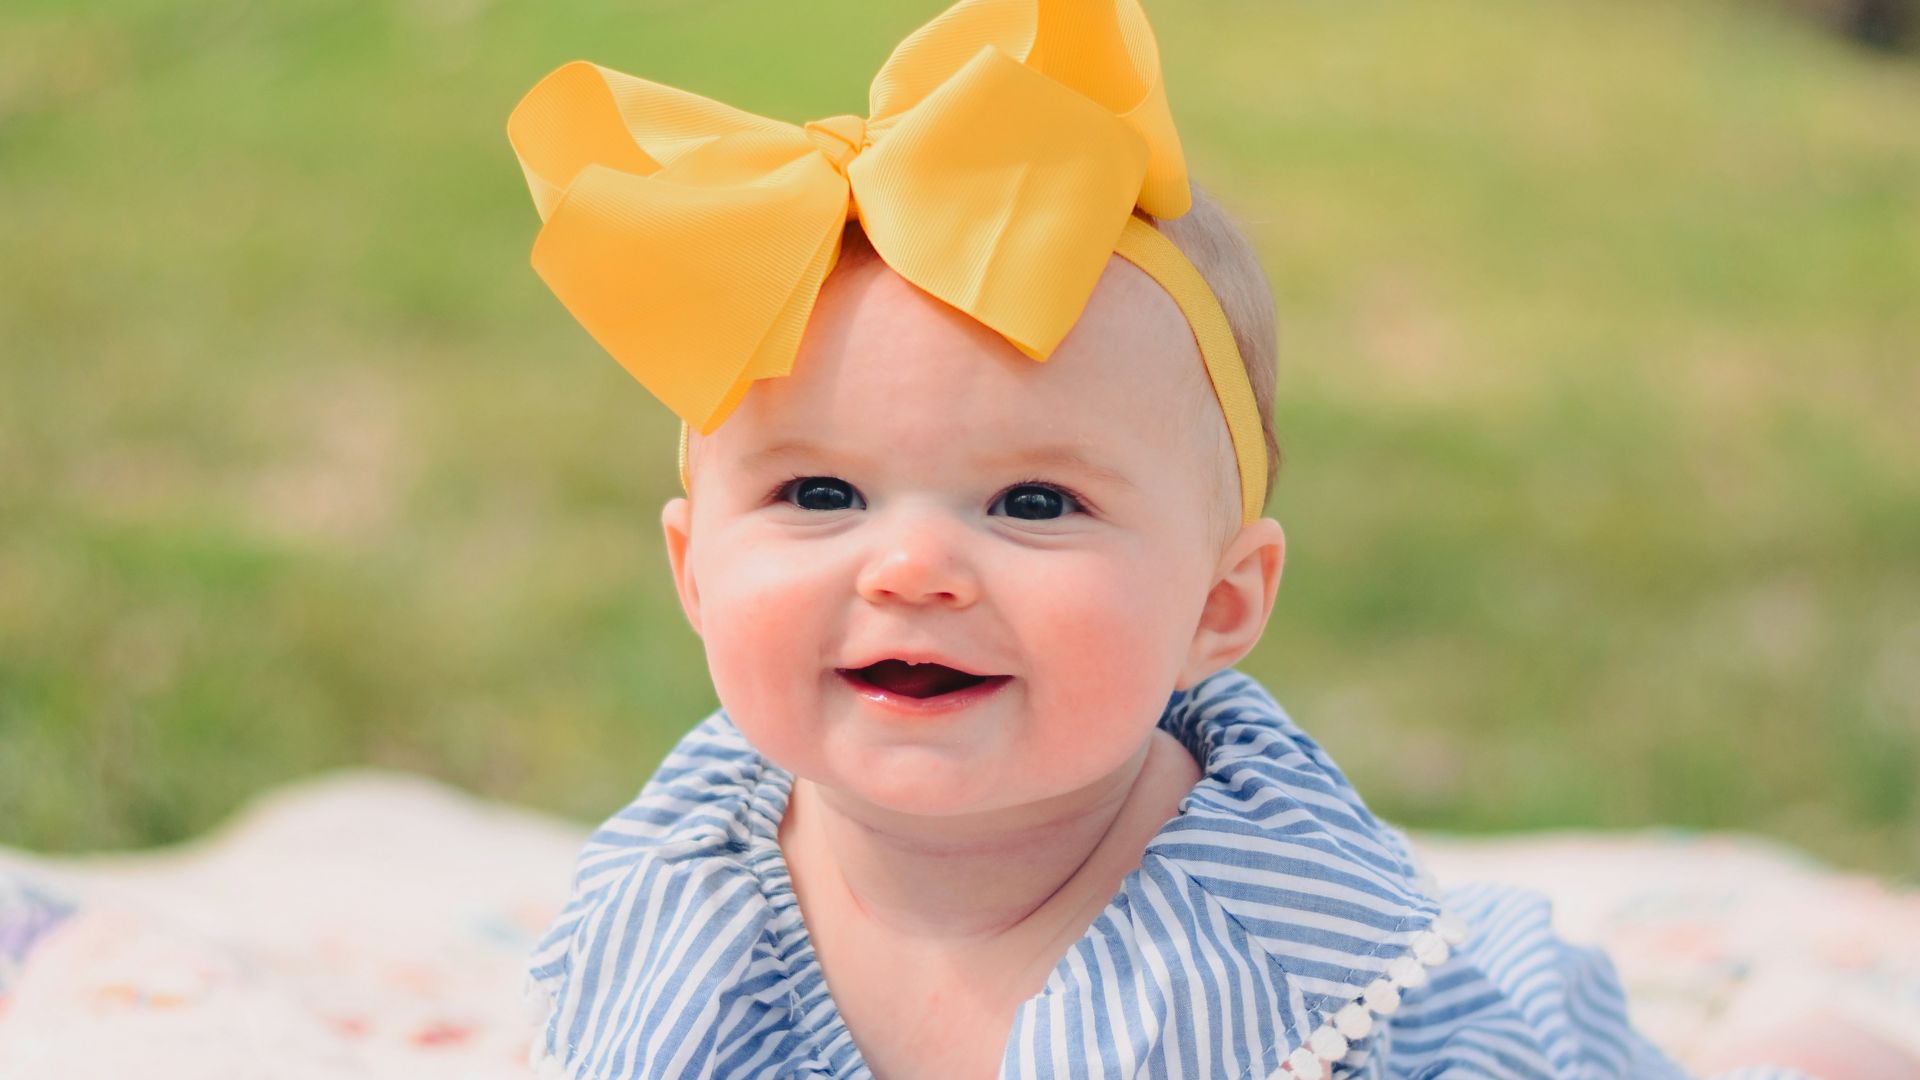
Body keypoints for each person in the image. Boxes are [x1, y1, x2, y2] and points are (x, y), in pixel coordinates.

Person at [504, 2, 1825, 1076]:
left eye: (1033, 504)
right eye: (818, 496)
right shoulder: (686, 880)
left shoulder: (1276, 956)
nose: (909, 568)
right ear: (691, 569)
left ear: (1220, 603)